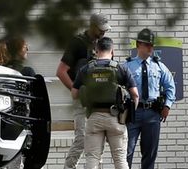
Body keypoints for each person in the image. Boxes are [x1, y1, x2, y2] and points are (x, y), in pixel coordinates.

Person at [71, 37, 139, 169]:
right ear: (112, 51)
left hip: (93, 118)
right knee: (120, 159)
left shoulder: (86, 69)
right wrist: (129, 115)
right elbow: (135, 95)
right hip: (117, 119)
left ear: (96, 51)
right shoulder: (121, 69)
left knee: (92, 158)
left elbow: (74, 93)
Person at [57, 13, 112, 169]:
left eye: (105, 30)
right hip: (82, 101)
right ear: (92, 26)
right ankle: (69, 167)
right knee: (81, 139)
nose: (104, 33)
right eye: (101, 29)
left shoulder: (103, 44)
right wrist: (77, 90)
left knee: (98, 139)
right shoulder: (77, 43)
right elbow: (61, 72)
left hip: (100, 102)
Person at [125, 28, 176, 169]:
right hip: (132, 113)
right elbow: (118, 88)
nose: (150, 48)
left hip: (152, 114)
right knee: (126, 152)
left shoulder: (159, 66)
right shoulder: (127, 66)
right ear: (138, 45)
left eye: (152, 45)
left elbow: (170, 86)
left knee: (150, 153)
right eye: (147, 44)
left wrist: (167, 106)